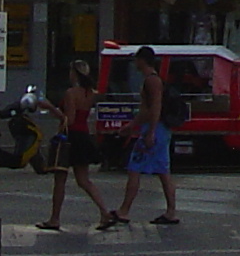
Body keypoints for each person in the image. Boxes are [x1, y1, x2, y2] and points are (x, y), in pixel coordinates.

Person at [40, 56, 118, 232]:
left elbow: (69, 119)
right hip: (83, 136)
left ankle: (55, 218)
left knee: (60, 179)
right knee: (84, 180)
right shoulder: (90, 93)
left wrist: (50, 108)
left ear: (75, 73)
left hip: (69, 137)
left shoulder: (71, 93)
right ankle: (104, 212)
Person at [110, 44, 180, 226]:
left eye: (137, 59)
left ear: (142, 60)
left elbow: (154, 108)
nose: (135, 62)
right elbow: (146, 110)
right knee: (163, 171)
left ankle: (124, 210)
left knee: (134, 168)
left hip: (154, 130)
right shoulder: (152, 80)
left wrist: (150, 132)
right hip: (158, 129)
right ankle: (171, 211)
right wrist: (132, 126)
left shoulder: (151, 81)